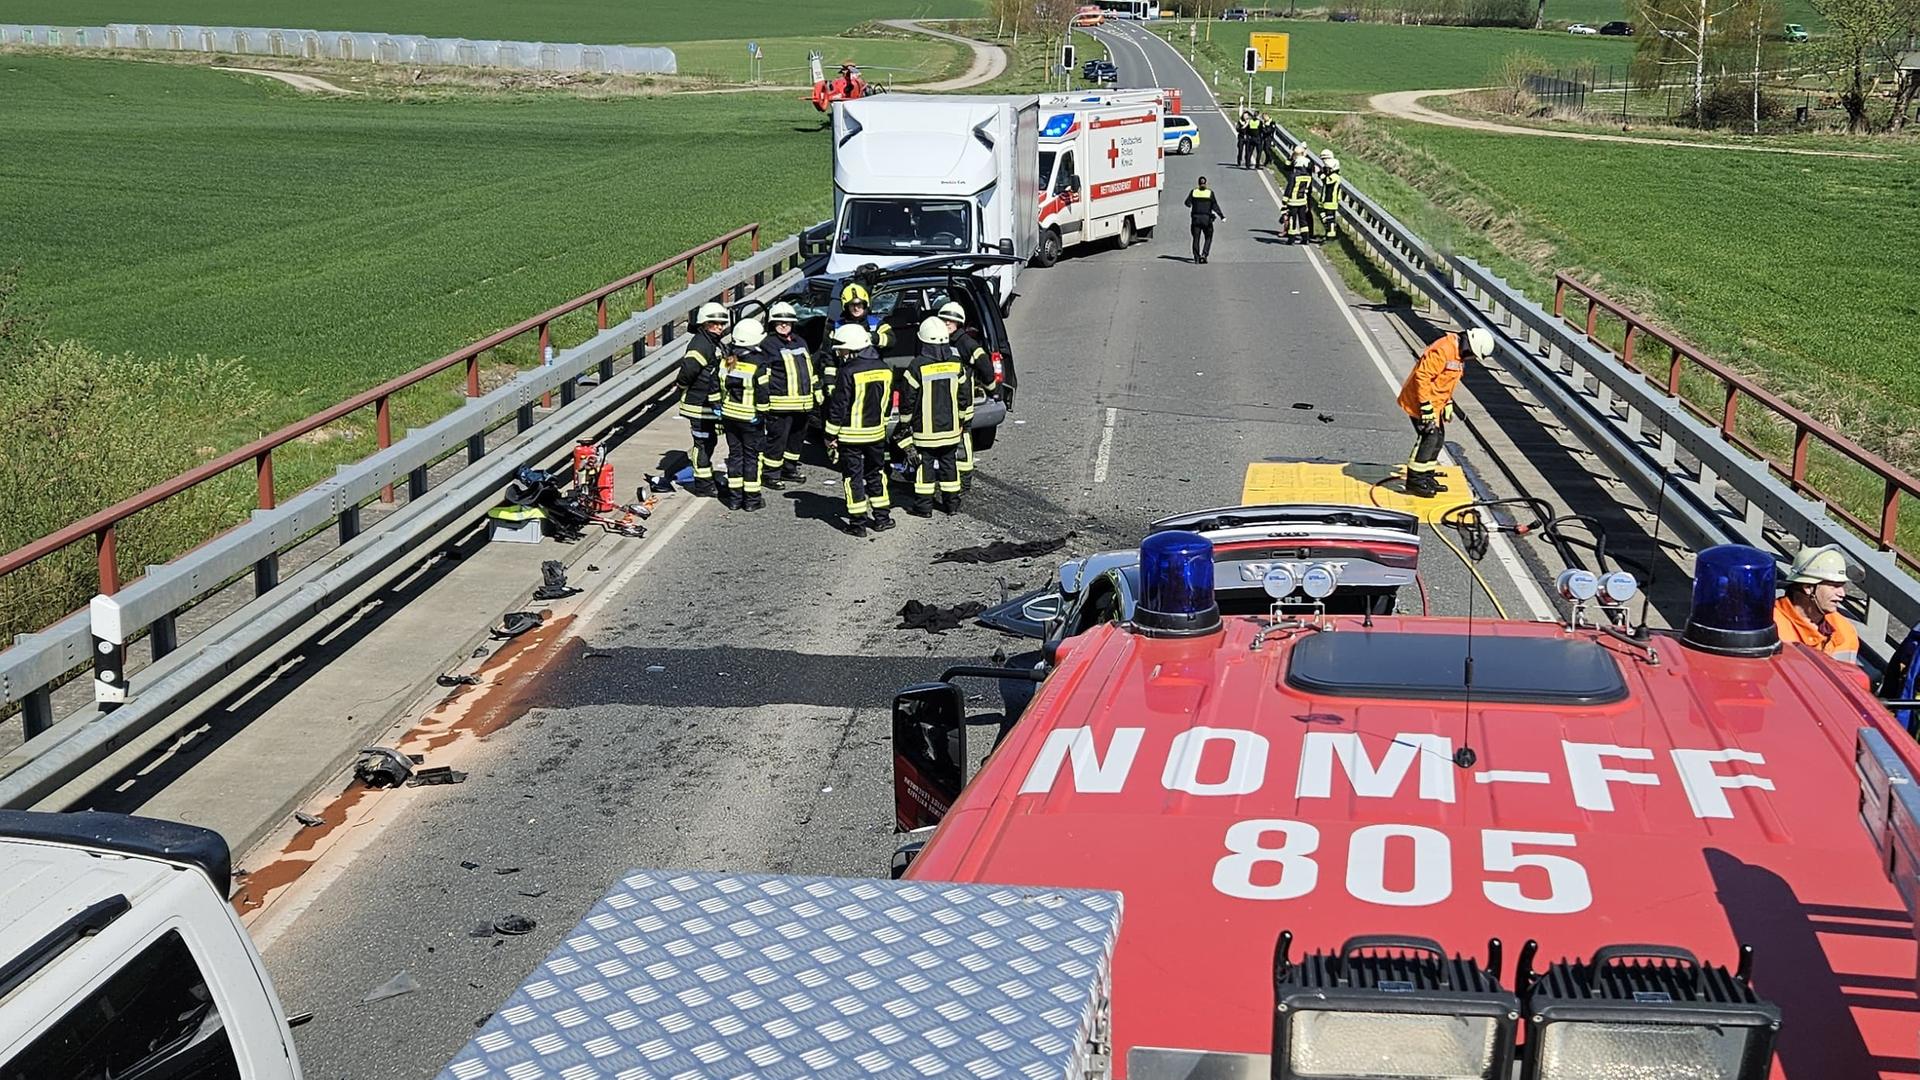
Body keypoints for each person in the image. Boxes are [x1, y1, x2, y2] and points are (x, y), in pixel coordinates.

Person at [1397, 327, 1492, 498]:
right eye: (1474, 355)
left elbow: (1444, 382)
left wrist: (1448, 402)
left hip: (1435, 404)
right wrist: (1425, 406)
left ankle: (1426, 475)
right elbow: (1422, 376)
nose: (1473, 359)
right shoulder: (1444, 349)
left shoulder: (1458, 355)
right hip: (1420, 401)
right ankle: (1415, 481)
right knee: (1429, 437)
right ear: (1470, 347)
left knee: (1438, 438)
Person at [823, 323, 898, 536]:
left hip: (851, 436)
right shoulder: (884, 368)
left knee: (853, 478)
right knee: (877, 474)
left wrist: (830, 435)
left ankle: (857, 524)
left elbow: (839, 407)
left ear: (852, 347)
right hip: (876, 434)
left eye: (841, 349)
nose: (839, 352)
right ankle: (882, 518)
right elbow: (887, 402)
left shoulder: (847, 371)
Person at [899, 316, 971, 517]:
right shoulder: (957, 364)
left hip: (925, 433)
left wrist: (904, 425)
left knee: (925, 468)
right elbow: (964, 396)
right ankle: (952, 505)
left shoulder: (916, 366)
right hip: (950, 430)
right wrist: (961, 421)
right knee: (950, 467)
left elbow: (907, 401)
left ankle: (924, 507)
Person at [758, 302, 817, 488]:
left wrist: (817, 394)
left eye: (788, 322)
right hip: (780, 404)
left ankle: (789, 469)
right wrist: (764, 401)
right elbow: (763, 376)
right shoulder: (768, 344)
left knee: (796, 439)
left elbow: (809, 371)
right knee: (777, 440)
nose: (784, 325)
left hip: (803, 403)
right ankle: (770, 474)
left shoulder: (800, 342)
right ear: (772, 324)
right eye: (780, 322)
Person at [675, 302, 730, 497]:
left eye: (722, 324)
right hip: (698, 405)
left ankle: (706, 480)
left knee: (709, 442)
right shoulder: (701, 344)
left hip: (708, 405)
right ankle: (703, 485)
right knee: (703, 444)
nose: (720, 327)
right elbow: (688, 370)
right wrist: (681, 386)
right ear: (704, 324)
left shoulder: (712, 342)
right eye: (715, 324)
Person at [717, 317, 770, 511]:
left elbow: (717, 387)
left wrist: (718, 406)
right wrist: (763, 415)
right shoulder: (758, 364)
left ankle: (735, 499)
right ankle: (752, 500)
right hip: (750, 419)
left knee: (735, 457)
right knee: (752, 458)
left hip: (729, 417)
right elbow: (763, 394)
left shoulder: (727, 361)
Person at [1773, 545, 1861, 663]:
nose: (1842, 594)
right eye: (1834, 586)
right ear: (1808, 587)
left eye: (1842, 586)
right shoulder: (1769, 625)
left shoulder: (1845, 631)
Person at [937, 301, 990, 488]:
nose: (947, 324)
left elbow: (984, 364)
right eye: (944, 320)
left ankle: (965, 478)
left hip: (962, 398)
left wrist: (992, 388)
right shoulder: (939, 340)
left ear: (958, 323)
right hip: (943, 398)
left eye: (950, 321)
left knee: (963, 435)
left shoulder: (966, 343)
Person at [836, 282, 893, 353]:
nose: (856, 308)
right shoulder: (837, 326)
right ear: (846, 307)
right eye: (852, 305)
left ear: (865, 304)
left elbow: (891, 340)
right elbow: (828, 354)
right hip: (846, 363)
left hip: (871, 362)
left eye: (859, 304)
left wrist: (871, 337)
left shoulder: (876, 323)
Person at [1185, 177, 1225, 264]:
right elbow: (1215, 206)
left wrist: (1193, 204)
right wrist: (1221, 216)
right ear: (1206, 183)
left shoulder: (1194, 192)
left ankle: (1196, 257)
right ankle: (1204, 255)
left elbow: (1187, 203)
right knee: (1208, 237)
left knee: (1196, 238)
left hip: (1195, 219)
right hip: (1206, 220)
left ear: (1198, 184)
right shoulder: (1209, 193)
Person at [1282, 146, 1314, 242]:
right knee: (1303, 220)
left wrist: (1285, 200)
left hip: (1293, 201)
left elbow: (1289, 188)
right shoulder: (1308, 176)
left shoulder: (1294, 176)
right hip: (1303, 200)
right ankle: (1305, 239)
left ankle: (1291, 239)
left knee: (1292, 219)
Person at [1314, 150, 1342, 244]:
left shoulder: (1334, 177)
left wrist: (1319, 173)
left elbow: (1326, 181)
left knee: (1329, 218)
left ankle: (1331, 237)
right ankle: (1329, 232)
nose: (1327, 170)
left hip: (1331, 201)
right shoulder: (1332, 174)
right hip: (1326, 200)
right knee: (1324, 216)